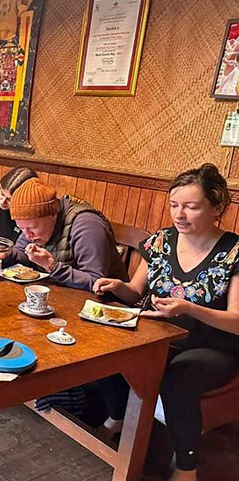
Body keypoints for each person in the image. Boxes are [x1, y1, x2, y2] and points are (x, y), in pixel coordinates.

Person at [93, 163, 239, 481]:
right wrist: (117, 287)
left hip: (213, 346)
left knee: (178, 376)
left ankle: (188, 467)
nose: (179, 214)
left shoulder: (234, 251)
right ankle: (117, 417)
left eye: (191, 206)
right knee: (102, 346)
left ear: (217, 207)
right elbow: (135, 292)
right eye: (174, 205)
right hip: (158, 334)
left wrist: (189, 308)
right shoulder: (162, 241)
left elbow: (236, 321)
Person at [1, 178, 128, 291]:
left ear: (53, 214)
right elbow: (22, 253)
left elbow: (96, 281)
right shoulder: (33, 224)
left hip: (105, 305)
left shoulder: (87, 225)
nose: (28, 235)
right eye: (21, 229)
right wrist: (4, 254)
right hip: (58, 296)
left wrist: (51, 266)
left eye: (32, 228)